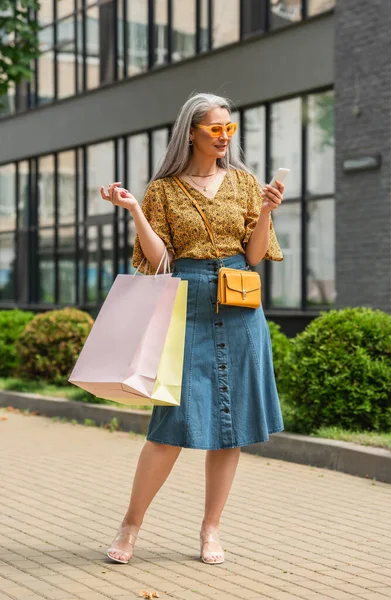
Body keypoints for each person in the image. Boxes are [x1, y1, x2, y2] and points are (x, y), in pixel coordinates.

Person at [100, 92, 285, 566]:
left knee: (231, 427)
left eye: (230, 128)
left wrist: (267, 210)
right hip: (186, 305)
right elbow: (158, 261)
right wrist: (135, 210)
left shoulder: (245, 184)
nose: (224, 137)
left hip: (240, 308)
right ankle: (130, 524)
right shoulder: (163, 190)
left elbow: (257, 254)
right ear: (192, 133)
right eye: (215, 129)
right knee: (170, 426)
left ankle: (211, 529)